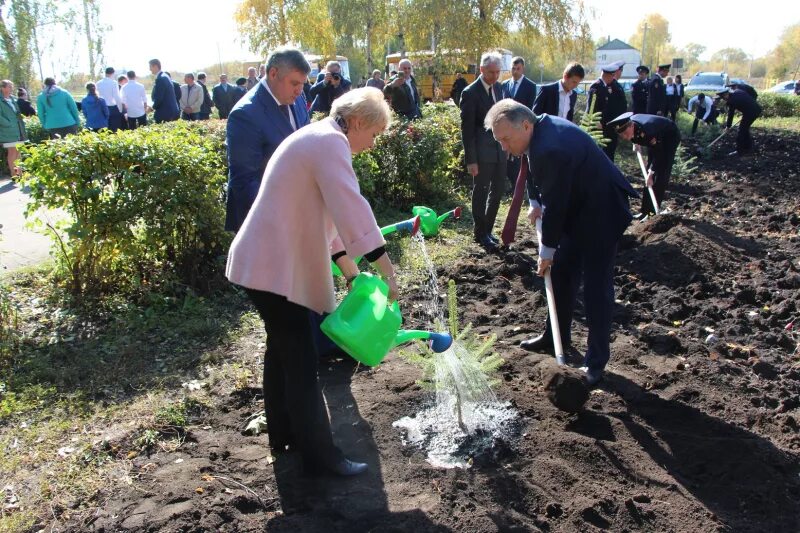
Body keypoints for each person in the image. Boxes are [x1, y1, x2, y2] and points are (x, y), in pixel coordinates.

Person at [226, 88, 396, 477]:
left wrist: (354, 274)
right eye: (373, 135)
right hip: (271, 267)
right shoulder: (329, 143)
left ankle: (284, 438)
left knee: (282, 353)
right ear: (356, 122)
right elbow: (351, 205)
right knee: (301, 361)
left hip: (266, 266)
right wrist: (386, 267)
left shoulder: (317, 138)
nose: (371, 145)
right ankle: (322, 459)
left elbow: (330, 220)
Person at [485, 99, 636, 385]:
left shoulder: (550, 147)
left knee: (595, 288)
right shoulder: (537, 133)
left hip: (602, 213)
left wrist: (545, 250)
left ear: (525, 125)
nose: (504, 148)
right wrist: (533, 201)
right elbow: (531, 168)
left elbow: (555, 204)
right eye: (499, 141)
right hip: (576, 208)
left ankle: (595, 363)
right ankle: (555, 336)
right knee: (563, 272)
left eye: (505, 139)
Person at [225, 47, 311, 232]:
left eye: (303, 84)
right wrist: (285, 213)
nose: (299, 90)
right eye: (294, 83)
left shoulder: (298, 97)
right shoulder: (245, 114)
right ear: (273, 73)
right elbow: (245, 182)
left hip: (298, 212)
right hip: (264, 220)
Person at [460, 51, 507, 249]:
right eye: (491, 73)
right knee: (481, 191)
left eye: (497, 72)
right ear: (481, 69)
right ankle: (480, 233)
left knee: (498, 191)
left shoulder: (500, 88)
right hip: (481, 152)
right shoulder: (470, 93)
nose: (495, 76)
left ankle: (488, 230)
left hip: (500, 150)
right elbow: (467, 129)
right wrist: (471, 159)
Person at [609, 111, 680, 217]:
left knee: (660, 174)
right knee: (648, 176)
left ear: (631, 126)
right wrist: (635, 142)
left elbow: (659, 154)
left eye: (625, 133)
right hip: (656, 139)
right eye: (621, 134)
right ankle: (644, 212)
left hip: (669, 137)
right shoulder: (632, 127)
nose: (624, 137)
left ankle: (652, 213)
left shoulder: (648, 131)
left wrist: (651, 173)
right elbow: (637, 135)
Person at [503, 56, 537, 189]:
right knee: (506, 156)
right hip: (505, 128)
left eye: (518, 68)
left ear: (523, 69)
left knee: (519, 157)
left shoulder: (530, 86)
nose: (515, 71)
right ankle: (510, 185)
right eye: (513, 68)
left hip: (520, 128)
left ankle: (520, 187)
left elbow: (530, 109)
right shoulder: (504, 85)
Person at [586, 61, 627, 161]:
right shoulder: (596, 87)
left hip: (610, 126)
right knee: (599, 154)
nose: (614, 78)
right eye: (612, 76)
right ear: (607, 75)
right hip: (599, 128)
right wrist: (595, 122)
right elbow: (592, 107)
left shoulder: (610, 86)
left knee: (609, 153)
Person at [716, 87, 762, 156]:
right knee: (745, 129)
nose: (723, 99)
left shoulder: (731, 101)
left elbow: (730, 114)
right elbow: (751, 92)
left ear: (726, 94)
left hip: (751, 112)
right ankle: (748, 147)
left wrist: (728, 126)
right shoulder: (738, 91)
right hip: (755, 109)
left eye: (723, 97)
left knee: (741, 130)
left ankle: (739, 151)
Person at [0, 80, 27, 177]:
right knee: (12, 151)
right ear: (2, 88)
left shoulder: (12, 99)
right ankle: (13, 173)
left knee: (18, 150)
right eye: (9, 87)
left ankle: (19, 172)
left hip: (18, 129)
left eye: (12, 86)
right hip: (8, 130)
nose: (12, 89)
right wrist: (8, 123)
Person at [96, 67, 124, 132]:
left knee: (103, 129)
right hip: (112, 108)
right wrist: (120, 109)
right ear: (113, 73)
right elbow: (116, 96)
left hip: (101, 108)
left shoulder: (98, 83)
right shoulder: (113, 83)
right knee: (114, 129)